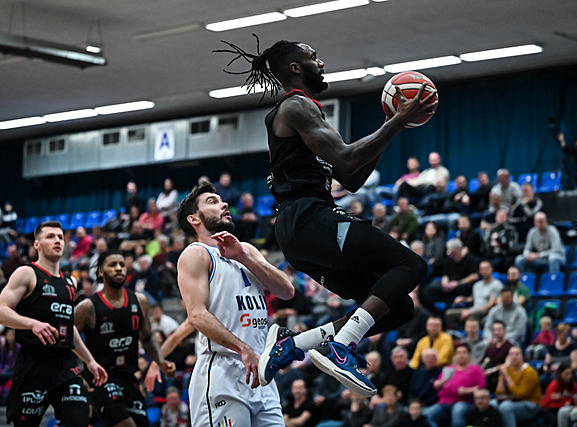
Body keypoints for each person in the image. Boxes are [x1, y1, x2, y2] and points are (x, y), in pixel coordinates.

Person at [216, 36, 435, 397]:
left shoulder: (304, 110)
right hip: (308, 218)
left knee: (399, 308)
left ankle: (294, 344)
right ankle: (342, 345)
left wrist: (391, 125)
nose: (322, 62)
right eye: (314, 57)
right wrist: (396, 123)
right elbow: (348, 159)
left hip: (300, 230)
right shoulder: (296, 106)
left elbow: (351, 176)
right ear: (296, 68)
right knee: (412, 266)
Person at [175, 183, 295, 426]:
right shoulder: (195, 254)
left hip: (260, 370)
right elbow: (197, 315)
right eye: (212, 201)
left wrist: (242, 256)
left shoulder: (246, 250)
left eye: (221, 200)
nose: (224, 204)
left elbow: (287, 290)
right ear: (194, 218)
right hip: (223, 371)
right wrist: (242, 348)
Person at [0, 221, 108, 425]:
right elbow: (1, 310)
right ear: (37, 244)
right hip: (34, 363)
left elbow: (69, 328)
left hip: (65, 366)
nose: (57, 240)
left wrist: (90, 360)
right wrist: (32, 324)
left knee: (79, 420)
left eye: (59, 237)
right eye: (50, 237)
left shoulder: (71, 282)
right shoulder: (27, 273)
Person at [74, 249, 176, 427]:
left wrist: (160, 360)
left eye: (121, 264)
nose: (119, 268)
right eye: (112, 265)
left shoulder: (140, 301)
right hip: (101, 379)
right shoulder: (87, 307)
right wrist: (77, 372)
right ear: (100, 271)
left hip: (129, 377)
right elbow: (66, 337)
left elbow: (147, 337)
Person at [423, 343, 486, 427]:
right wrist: (438, 383)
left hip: (464, 402)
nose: (461, 355)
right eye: (458, 353)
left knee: (457, 411)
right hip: (444, 402)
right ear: (455, 355)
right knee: (425, 416)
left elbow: (482, 388)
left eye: (464, 353)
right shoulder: (449, 368)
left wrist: (467, 391)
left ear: (469, 355)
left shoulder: (475, 369)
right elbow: (436, 384)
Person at [422, 238, 479, 311]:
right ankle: (433, 310)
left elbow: (474, 276)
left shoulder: (470, 259)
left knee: (463, 288)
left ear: (458, 249)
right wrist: (444, 283)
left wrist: (458, 283)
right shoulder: (449, 260)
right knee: (428, 290)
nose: (451, 254)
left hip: (462, 284)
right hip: (449, 283)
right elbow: (446, 275)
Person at [444, 260, 503, 330]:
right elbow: (473, 299)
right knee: (449, 314)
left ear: (491, 269)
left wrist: (470, 312)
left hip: (486, 311)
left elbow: (491, 305)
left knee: (472, 315)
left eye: (487, 269)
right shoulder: (476, 285)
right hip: (473, 309)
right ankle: (454, 334)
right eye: (482, 269)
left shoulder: (496, 285)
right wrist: (463, 299)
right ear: (480, 271)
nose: (484, 271)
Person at [495, 346, 543, 427]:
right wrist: (502, 376)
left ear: (522, 356)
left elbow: (521, 394)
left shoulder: (529, 371)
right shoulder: (507, 369)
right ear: (508, 357)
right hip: (513, 401)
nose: (514, 357)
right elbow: (499, 393)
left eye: (517, 354)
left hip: (530, 405)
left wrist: (506, 375)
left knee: (505, 407)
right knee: (492, 404)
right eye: (511, 354)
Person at [484, 209, 520, 273]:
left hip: (505, 256)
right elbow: (486, 245)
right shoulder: (491, 230)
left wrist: (499, 241)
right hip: (491, 255)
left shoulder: (511, 230)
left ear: (506, 218)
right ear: (496, 218)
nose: (501, 218)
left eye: (503, 216)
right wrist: (491, 244)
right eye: (499, 216)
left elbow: (512, 247)